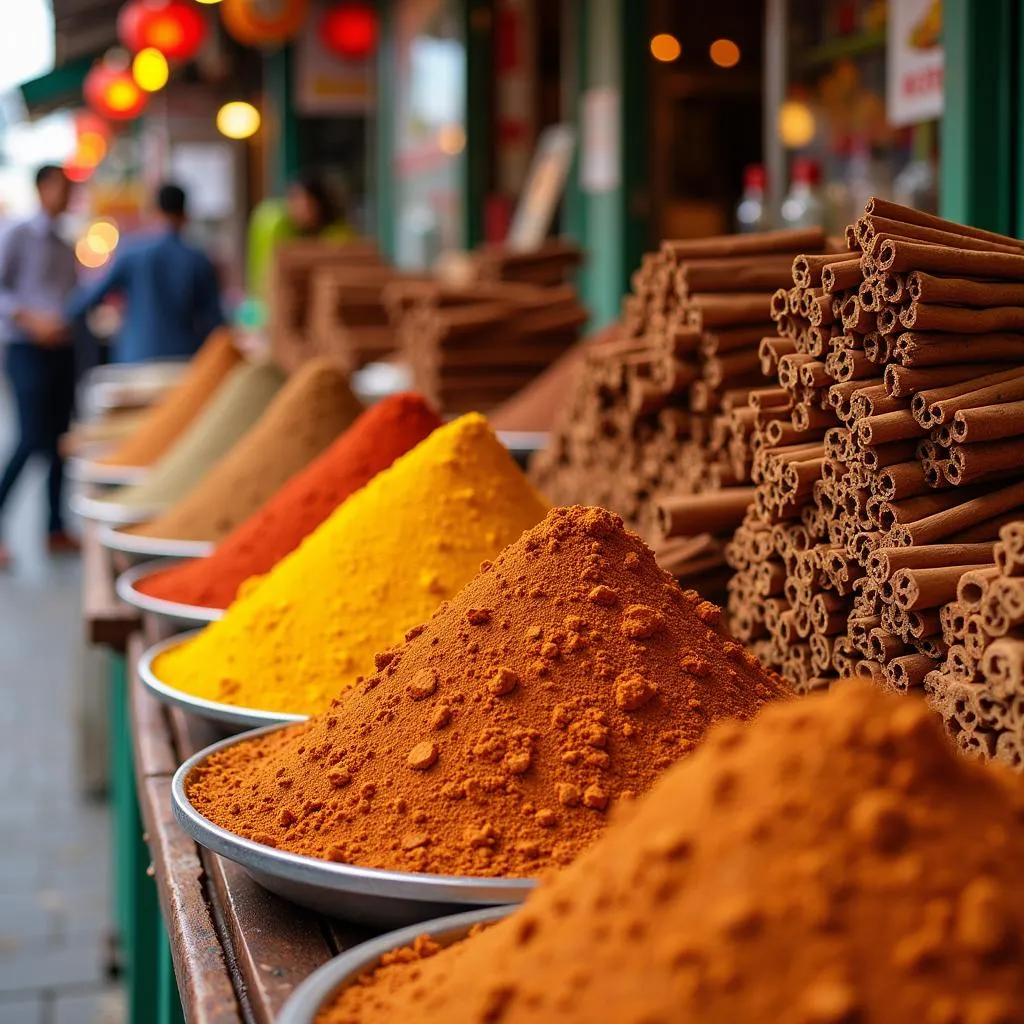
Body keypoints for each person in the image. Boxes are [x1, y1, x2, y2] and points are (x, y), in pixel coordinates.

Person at [0, 165, 79, 567]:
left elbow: (72, 296)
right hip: (26, 348)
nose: (67, 195)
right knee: (31, 438)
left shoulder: (66, 245)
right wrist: (31, 319)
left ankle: (54, 527)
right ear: (42, 188)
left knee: (59, 440)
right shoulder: (17, 234)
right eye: (62, 187)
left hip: (61, 350)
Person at [68, 183, 224, 363]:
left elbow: (88, 298)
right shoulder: (198, 260)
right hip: (182, 359)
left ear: (153, 212)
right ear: (185, 215)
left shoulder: (131, 253)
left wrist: (60, 318)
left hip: (136, 357)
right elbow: (215, 321)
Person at [246, 171, 356, 302]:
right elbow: (266, 271)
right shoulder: (274, 223)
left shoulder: (336, 232)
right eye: (293, 200)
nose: (297, 208)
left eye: (304, 202)